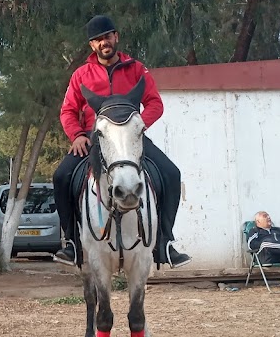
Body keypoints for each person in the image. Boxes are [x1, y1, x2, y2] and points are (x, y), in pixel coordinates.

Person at [52, 14, 190, 269]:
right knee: (61, 177)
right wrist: (78, 135)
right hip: (94, 140)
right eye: (97, 40)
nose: (103, 42)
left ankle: (165, 243)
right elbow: (68, 111)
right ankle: (71, 242)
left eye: (106, 36)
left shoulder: (137, 69)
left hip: (131, 140)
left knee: (171, 173)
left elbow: (154, 103)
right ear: (92, 46)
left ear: (116, 37)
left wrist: (137, 127)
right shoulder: (81, 75)